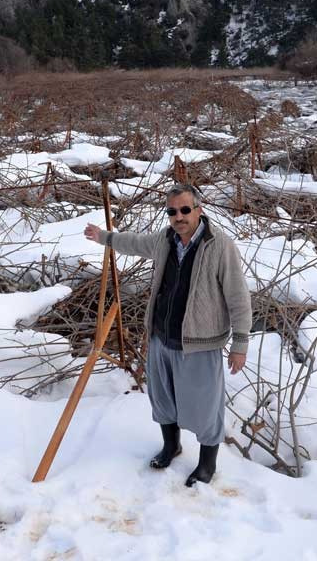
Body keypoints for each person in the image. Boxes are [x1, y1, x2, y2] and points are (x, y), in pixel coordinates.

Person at [84, 183, 251, 486]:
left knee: (205, 407)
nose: (179, 216)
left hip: (199, 344)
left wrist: (240, 342)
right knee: (163, 400)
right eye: (172, 211)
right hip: (161, 337)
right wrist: (104, 237)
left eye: (185, 209)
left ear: (199, 210)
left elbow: (238, 297)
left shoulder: (219, 245)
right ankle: (170, 446)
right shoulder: (165, 240)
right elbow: (134, 243)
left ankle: (206, 464)